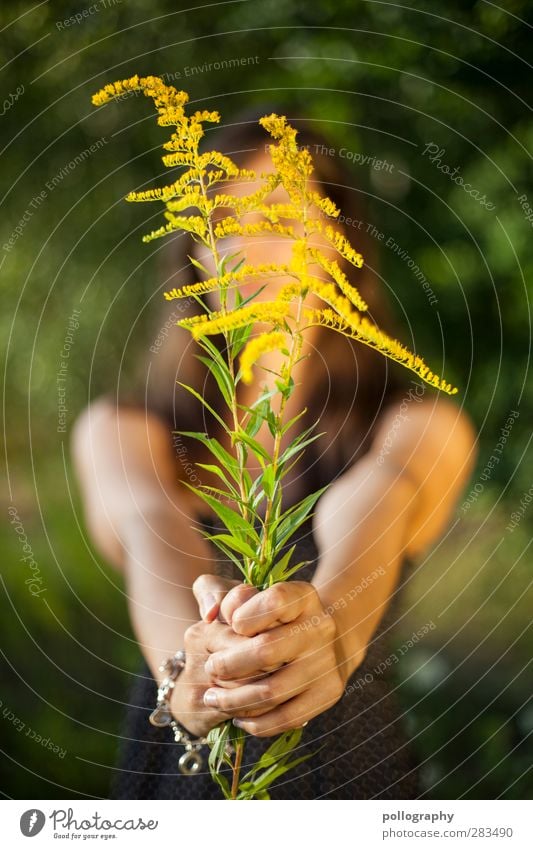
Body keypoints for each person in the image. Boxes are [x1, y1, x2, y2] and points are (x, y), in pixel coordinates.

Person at [71, 114, 476, 799]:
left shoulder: (415, 424)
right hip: (178, 783)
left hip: (348, 781)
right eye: (225, 222)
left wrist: (331, 633)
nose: (253, 249)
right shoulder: (120, 429)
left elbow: (372, 502)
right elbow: (153, 525)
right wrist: (192, 674)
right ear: (194, 257)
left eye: (283, 219)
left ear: (336, 244)